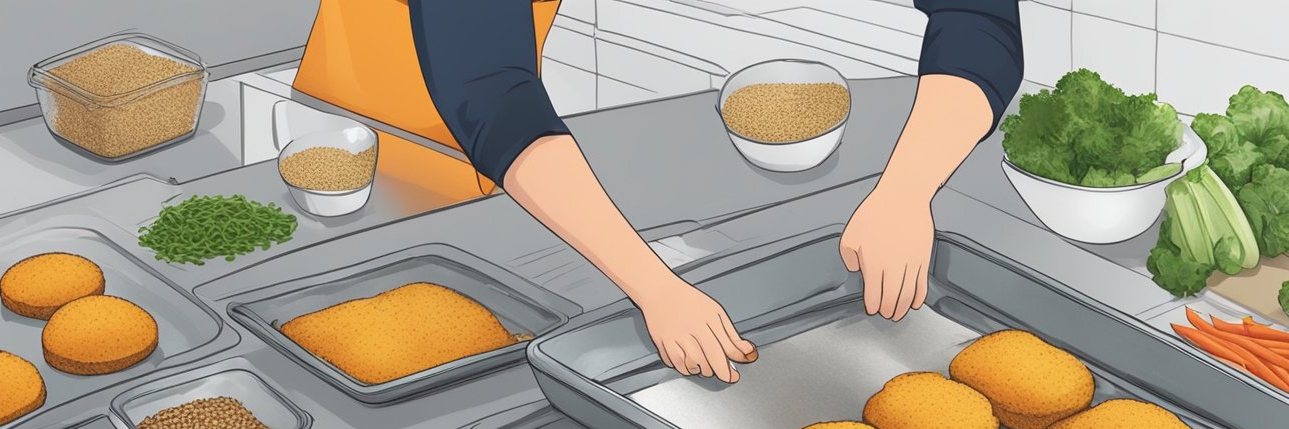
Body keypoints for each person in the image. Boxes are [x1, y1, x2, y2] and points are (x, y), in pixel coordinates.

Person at [301, 0, 1023, 383]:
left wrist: (907, 191)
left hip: (618, 155)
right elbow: (488, 90)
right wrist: (656, 288)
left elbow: (979, 20)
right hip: (410, 146)